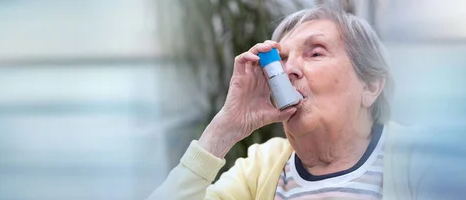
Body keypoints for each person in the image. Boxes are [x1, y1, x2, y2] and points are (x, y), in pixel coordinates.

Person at [148, 6, 426, 200]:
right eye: (279, 61)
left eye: (315, 53)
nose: (288, 69)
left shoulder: (418, 157)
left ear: (371, 86)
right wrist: (224, 129)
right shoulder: (260, 167)